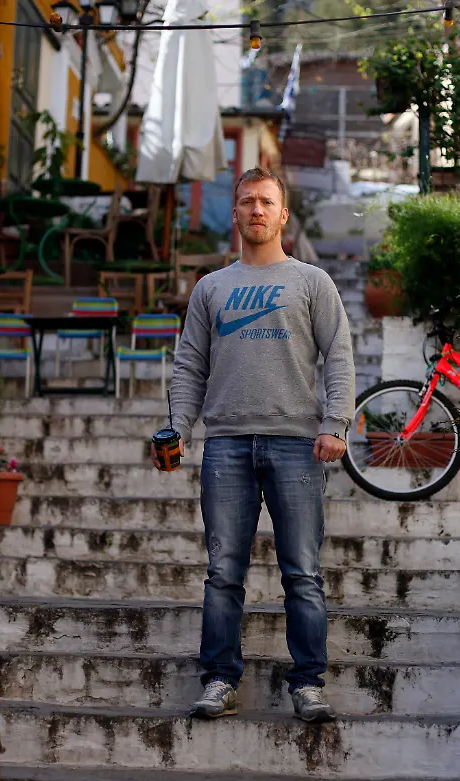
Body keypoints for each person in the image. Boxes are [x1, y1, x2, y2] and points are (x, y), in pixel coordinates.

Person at [152, 167, 354, 723]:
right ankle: (219, 679)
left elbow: (338, 354)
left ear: (284, 214)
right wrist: (178, 427)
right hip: (226, 446)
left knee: (303, 573)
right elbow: (190, 364)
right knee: (223, 573)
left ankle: (308, 684)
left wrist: (336, 424)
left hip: (297, 445)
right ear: (236, 214)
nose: (257, 210)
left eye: (267, 202)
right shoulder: (211, 288)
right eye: (247, 202)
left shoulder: (312, 282)